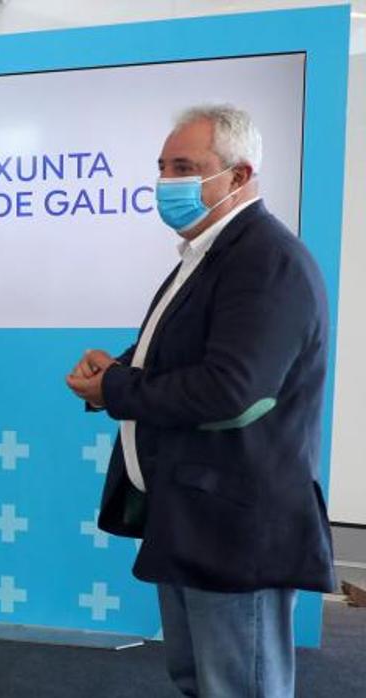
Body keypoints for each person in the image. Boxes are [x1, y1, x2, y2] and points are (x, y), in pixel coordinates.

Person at [66, 104, 335, 697]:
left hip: (236, 527)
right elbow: (184, 356)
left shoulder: (266, 260)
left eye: (184, 168)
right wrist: (119, 369)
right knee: (199, 679)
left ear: (239, 175)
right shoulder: (209, 255)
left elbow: (230, 391)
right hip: (193, 514)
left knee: (238, 685)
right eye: (162, 167)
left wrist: (115, 389)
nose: (167, 181)